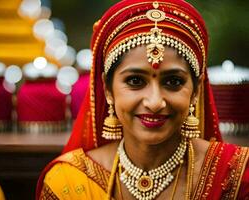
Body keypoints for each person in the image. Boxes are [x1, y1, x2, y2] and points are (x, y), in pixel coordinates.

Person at [36, 0, 249, 199]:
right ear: (107, 88)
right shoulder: (70, 183)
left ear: (196, 90)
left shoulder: (236, 176)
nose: (155, 102)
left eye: (173, 82)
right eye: (135, 80)